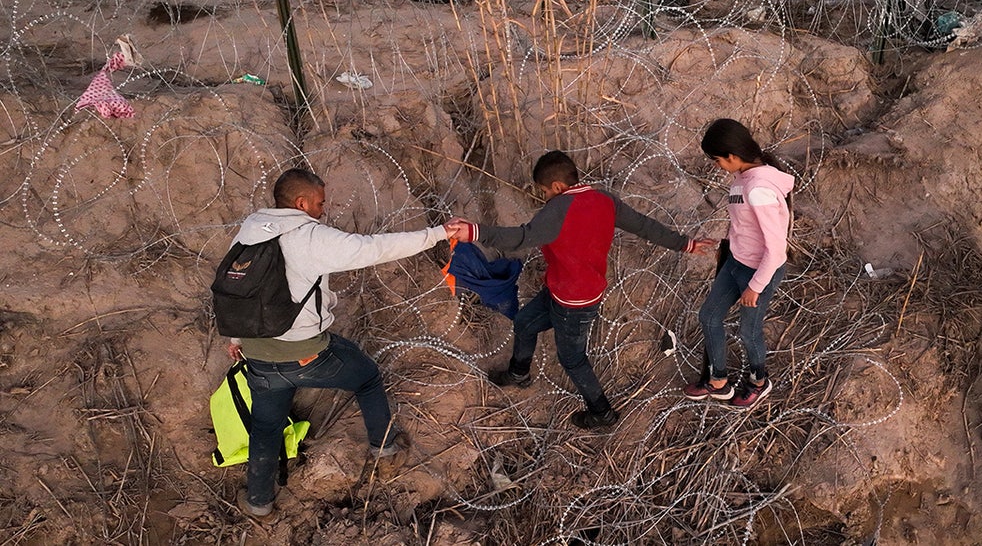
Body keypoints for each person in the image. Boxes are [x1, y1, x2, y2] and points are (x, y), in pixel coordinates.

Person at [226, 168, 449, 519]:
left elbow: (238, 289)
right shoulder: (308, 236)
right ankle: (385, 450)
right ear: (301, 203)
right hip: (307, 356)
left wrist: (238, 338)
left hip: (258, 357)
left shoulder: (250, 230)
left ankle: (258, 501)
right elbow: (373, 249)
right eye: (319, 202)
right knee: (367, 377)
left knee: (266, 426)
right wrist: (436, 233)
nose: (323, 210)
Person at [446, 151, 714, 429]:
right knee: (525, 323)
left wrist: (475, 232)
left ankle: (601, 412)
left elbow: (523, 237)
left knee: (572, 358)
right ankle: (519, 373)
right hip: (560, 290)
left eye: (545, 191)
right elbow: (644, 226)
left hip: (574, 303)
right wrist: (686, 244)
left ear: (558, 187)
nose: (545, 197)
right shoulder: (605, 200)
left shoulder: (557, 209)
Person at [683, 119, 794, 408]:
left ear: (732, 156)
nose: (718, 165)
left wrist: (756, 286)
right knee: (709, 316)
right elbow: (744, 225)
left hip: (758, 271)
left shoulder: (759, 188)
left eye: (718, 160)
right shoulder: (743, 178)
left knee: (749, 330)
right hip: (736, 262)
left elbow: (776, 249)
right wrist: (729, 243)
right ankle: (718, 380)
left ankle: (759, 381)